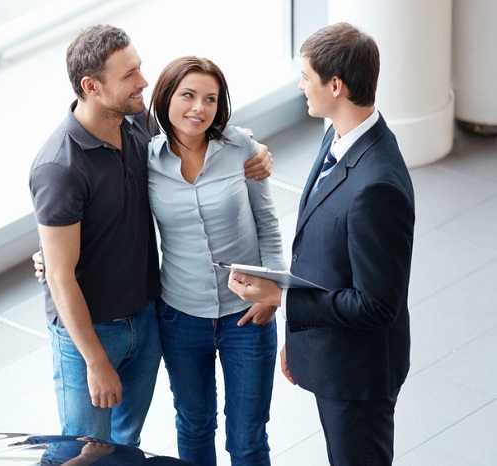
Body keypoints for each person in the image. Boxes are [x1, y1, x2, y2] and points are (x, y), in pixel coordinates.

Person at [28, 25, 271, 448]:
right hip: (90, 332)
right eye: (129, 75)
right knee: (84, 449)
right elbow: (60, 276)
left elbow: (198, 129)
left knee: (126, 443)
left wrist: (253, 147)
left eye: (139, 68)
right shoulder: (58, 167)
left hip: (146, 316)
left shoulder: (139, 126)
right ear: (92, 86)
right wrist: (94, 359)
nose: (143, 81)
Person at [228, 22, 415, 465]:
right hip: (335, 353)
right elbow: (325, 257)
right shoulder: (337, 133)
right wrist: (302, 336)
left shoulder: (378, 186)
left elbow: (376, 306)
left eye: (306, 76)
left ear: (336, 85)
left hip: (359, 375)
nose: (300, 85)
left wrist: (283, 300)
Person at [148, 56, 286, 466]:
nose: (199, 108)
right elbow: (107, 217)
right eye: (187, 95)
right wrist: (49, 250)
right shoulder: (145, 160)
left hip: (248, 316)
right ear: (166, 98)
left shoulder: (241, 146)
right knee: (193, 425)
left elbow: (268, 224)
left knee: (248, 439)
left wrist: (273, 292)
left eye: (210, 99)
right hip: (180, 317)